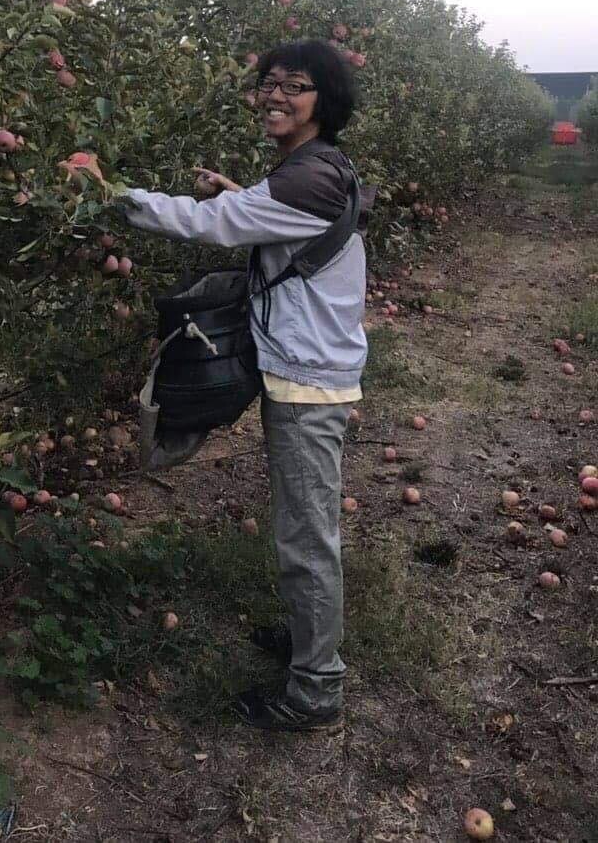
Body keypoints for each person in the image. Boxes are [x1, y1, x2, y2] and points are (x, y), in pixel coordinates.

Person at [61, 38, 370, 733]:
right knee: (304, 529)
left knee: (306, 537)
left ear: (326, 100)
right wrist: (242, 194)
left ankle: (316, 689)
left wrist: (111, 195)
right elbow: (282, 222)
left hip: (308, 382)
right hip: (313, 366)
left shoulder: (305, 178)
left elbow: (210, 227)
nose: (275, 95)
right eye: (268, 83)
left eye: (295, 85)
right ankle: (308, 640)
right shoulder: (320, 168)